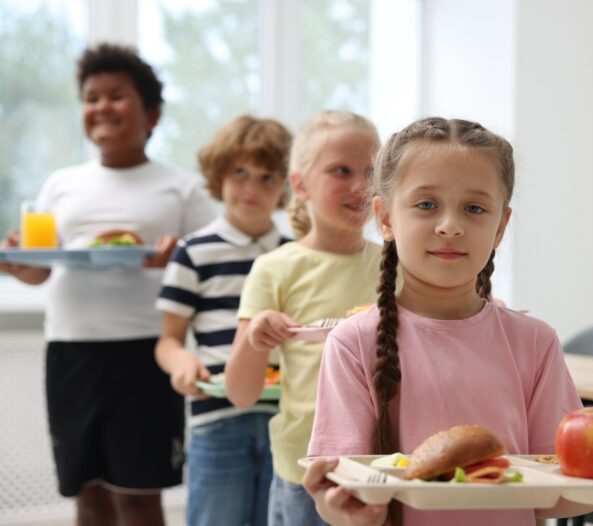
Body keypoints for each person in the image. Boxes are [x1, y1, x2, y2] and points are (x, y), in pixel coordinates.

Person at [302, 117, 593, 526]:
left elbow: (552, 493)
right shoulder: (353, 342)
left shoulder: (535, 342)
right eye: (426, 205)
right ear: (385, 218)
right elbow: (345, 490)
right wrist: (344, 512)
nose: (450, 226)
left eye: (474, 208)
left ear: (500, 227)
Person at [0, 43, 215, 526]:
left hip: (145, 354)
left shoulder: (181, 187)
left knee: (139, 494)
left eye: (116, 96)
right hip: (70, 352)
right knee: (87, 492)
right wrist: (18, 264)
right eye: (91, 97)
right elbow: (42, 269)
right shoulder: (60, 183)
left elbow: (210, 266)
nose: (101, 107)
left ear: (151, 115)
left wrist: (173, 256)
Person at [225, 110, 381, 526]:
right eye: (341, 170)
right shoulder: (274, 269)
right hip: (305, 469)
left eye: (371, 171)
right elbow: (240, 393)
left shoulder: (398, 267)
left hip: (382, 466)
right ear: (300, 185)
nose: (360, 186)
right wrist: (256, 341)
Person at [154, 114, 293, 526]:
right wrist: (182, 364)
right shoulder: (193, 252)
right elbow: (168, 340)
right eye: (240, 173)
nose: (252, 188)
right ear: (219, 175)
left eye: (268, 177)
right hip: (216, 417)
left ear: (288, 185)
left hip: (285, 419)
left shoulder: (295, 254)